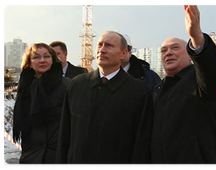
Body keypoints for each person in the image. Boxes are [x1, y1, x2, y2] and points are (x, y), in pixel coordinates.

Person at [55, 31, 153, 164]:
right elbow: (65, 135)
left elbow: (142, 143)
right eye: (99, 45)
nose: (102, 50)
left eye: (109, 46)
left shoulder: (139, 91)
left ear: (123, 53)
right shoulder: (77, 85)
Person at [151, 3, 216, 164]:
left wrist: (197, 37)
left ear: (190, 55)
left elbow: (212, 74)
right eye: (163, 50)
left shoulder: (198, 79)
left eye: (175, 48)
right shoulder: (157, 89)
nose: (168, 53)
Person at [13, 43, 71, 164]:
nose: (42, 60)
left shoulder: (67, 85)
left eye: (47, 56)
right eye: (36, 57)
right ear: (29, 62)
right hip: (31, 156)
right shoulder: (24, 87)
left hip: (57, 156)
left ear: (53, 60)